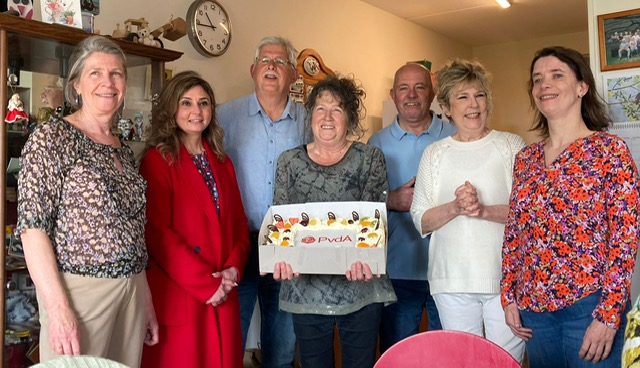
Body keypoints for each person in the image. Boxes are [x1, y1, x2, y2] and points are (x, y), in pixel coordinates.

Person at [16, 35, 158, 366]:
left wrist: (145, 298)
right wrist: (58, 308)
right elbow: (32, 230)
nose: (107, 83)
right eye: (95, 73)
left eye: (116, 74)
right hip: (80, 295)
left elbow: (133, 230)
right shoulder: (52, 138)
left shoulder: (122, 148)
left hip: (131, 293)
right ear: (76, 84)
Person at [501, 46, 640, 367]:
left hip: (589, 308)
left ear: (582, 87)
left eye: (556, 75)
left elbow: (625, 237)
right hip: (533, 314)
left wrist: (608, 315)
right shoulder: (526, 158)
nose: (543, 85)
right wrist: (509, 295)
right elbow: (514, 232)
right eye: (537, 79)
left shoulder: (609, 151)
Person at [272, 75, 397, 368]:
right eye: (320, 108)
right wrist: (279, 258)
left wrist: (364, 257)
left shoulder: (370, 159)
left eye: (337, 109)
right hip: (304, 290)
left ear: (349, 117)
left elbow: (373, 223)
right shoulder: (288, 162)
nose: (327, 117)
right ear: (310, 115)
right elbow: (282, 222)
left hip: (361, 289)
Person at [410, 59, 526, 363]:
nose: (473, 105)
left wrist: (482, 209)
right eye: (462, 97)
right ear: (447, 107)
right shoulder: (434, 153)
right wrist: (456, 206)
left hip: (507, 280)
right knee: (464, 362)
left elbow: (529, 213)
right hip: (452, 281)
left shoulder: (511, 146)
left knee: (505, 362)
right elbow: (421, 219)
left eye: (479, 95)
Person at [138, 71, 250, 367]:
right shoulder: (156, 160)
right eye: (186, 103)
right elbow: (158, 234)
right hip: (184, 293)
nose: (196, 111)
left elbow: (239, 222)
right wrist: (206, 284)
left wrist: (233, 270)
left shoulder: (222, 161)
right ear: (172, 109)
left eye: (203, 103)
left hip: (223, 291)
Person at [217, 36, 304, 367]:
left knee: (282, 344)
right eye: (265, 60)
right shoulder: (224, 116)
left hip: (288, 246)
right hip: (236, 243)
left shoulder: (310, 121)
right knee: (229, 342)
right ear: (253, 70)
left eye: (280, 61)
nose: (271, 66)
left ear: (293, 75)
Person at [368, 62, 451, 352]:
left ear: (432, 93)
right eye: (404, 88)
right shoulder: (375, 143)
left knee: (448, 356)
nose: (412, 95)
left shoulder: (454, 135)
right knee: (398, 354)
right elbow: (362, 206)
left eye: (420, 87)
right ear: (393, 95)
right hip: (397, 270)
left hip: (448, 269)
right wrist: (390, 200)